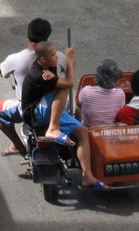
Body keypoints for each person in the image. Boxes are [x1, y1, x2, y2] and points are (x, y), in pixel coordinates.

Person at [21, 41, 106, 189]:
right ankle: (53, 128)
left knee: (82, 132)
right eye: (53, 55)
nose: (56, 57)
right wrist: (69, 60)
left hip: (46, 108)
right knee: (64, 87)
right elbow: (70, 83)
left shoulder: (47, 68)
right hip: (36, 113)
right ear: (43, 59)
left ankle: (87, 176)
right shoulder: (39, 74)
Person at [0, 17, 68, 157]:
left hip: (27, 110)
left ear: (28, 35)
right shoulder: (59, 57)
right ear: (47, 37)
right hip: (55, 109)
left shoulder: (15, 59)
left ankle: (18, 146)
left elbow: (0, 68)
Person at [78, 60, 126, 126]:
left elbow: (79, 105)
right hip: (110, 132)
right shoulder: (120, 94)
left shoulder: (86, 91)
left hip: (88, 131)